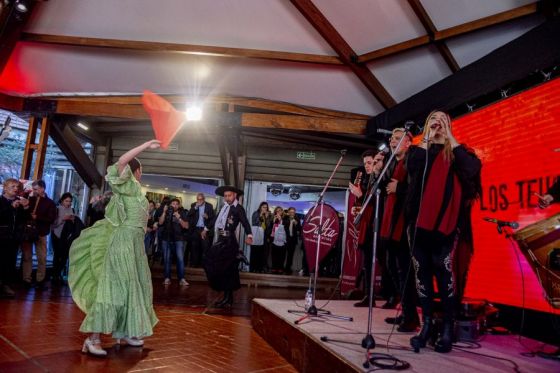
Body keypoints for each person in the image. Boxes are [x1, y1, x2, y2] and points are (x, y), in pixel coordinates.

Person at [68, 139, 160, 357]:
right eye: (139, 169)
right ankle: (93, 339)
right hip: (122, 244)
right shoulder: (126, 186)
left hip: (135, 245)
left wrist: (142, 229)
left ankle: (125, 331)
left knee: (133, 290)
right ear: (135, 171)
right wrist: (146, 144)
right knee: (113, 289)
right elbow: (121, 161)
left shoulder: (137, 191)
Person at [406, 111, 481, 353]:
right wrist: (426, 138)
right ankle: (426, 326)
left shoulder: (460, 153)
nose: (437, 121)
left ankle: (448, 327)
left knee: (445, 273)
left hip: (447, 226)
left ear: (449, 125)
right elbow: (412, 167)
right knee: (422, 276)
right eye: (432, 118)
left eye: (442, 119)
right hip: (419, 226)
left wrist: (449, 137)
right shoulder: (421, 152)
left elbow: (471, 169)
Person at [380, 128, 420, 332]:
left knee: (405, 271)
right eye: (391, 139)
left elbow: (419, 189)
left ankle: (411, 317)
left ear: (408, 143)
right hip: (391, 223)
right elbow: (384, 184)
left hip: (404, 224)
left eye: (397, 139)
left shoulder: (412, 161)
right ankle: (405, 311)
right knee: (392, 267)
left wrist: (401, 188)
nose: (392, 142)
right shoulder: (394, 162)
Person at [348, 150, 387, 307]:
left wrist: (360, 193)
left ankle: (390, 295)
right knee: (367, 261)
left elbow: (380, 201)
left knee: (385, 262)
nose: (367, 166)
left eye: (370, 162)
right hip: (367, 225)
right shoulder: (367, 179)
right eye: (365, 164)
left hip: (380, 224)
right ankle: (368, 295)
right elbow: (364, 202)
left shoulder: (381, 178)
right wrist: (356, 207)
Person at [204, 185, 253, 308]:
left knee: (228, 270)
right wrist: (205, 228)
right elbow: (215, 220)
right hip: (220, 240)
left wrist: (250, 235)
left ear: (234, 195)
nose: (227, 198)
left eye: (229, 195)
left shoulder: (238, 208)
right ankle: (227, 298)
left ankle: (228, 299)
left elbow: (245, 222)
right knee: (213, 264)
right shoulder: (224, 207)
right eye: (225, 196)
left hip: (229, 242)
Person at [21, 180, 56, 289]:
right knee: (27, 256)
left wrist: (38, 217)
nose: (34, 191)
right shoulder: (28, 199)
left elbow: (51, 219)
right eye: (33, 189)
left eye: (36, 189)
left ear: (42, 189)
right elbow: (23, 214)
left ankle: (40, 280)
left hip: (41, 232)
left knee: (42, 257)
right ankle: (26, 279)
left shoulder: (50, 203)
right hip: (28, 231)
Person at [0, 178, 29, 297]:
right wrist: (11, 207)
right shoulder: (1, 201)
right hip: (1, 236)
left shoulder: (20, 201)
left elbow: (25, 219)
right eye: (13, 186)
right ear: (5, 188)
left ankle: (6, 285)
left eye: (17, 187)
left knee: (10, 262)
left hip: (14, 237)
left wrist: (26, 207)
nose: (16, 189)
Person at [159, 198, 190, 286]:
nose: (175, 205)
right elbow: (160, 223)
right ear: (170, 204)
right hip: (166, 239)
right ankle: (167, 278)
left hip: (178, 239)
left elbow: (186, 226)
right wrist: (164, 212)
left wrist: (179, 218)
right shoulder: (167, 212)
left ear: (179, 205)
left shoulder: (182, 213)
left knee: (180, 259)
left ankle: (182, 279)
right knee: (167, 259)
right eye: (173, 203)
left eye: (177, 204)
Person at [51, 193, 76, 284]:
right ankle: (55, 275)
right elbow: (53, 224)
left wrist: (72, 219)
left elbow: (74, 224)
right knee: (57, 255)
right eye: (66, 201)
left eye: (70, 201)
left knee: (65, 255)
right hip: (57, 234)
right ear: (62, 200)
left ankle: (58, 273)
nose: (68, 203)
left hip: (67, 236)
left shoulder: (72, 209)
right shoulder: (57, 209)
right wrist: (63, 219)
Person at [188, 193, 215, 267]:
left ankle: (204, 265)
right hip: (196, 229)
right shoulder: (194, 205)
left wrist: (207, 217)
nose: (199, 201)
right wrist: (195, 207)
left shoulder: (209, 206)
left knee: (205, 247)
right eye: (198, 199)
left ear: (204, 199)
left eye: (201, 199)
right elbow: (189, 214)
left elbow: (213, 218)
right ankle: (194, 264)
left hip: (204, 229)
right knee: (194, 247)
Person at [250, 202, 272, 273]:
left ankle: (259, 268)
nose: (265, 209)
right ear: (260, 207)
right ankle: (253, 268)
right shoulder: (256, 213)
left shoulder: (267, 215)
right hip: (257, 235)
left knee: (262, 253)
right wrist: (260, 215)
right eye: (263, 207)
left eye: (266, 207)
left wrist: (266, 217)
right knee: (254, 252)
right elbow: (254, 223)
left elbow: (268, 226)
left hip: (264, 236)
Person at [269, 206, 289, 274]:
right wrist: (273, 222)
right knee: (274, 254)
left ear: (282, 211)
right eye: (277, 211)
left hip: (282, 239)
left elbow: (286, 226)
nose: (278, 212)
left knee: (282, 255)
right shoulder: (273, 218)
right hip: (274, 239)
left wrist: (280, 220)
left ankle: (280, 267)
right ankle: (274, 267)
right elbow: (270, 228)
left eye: (279, 211)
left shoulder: (285, 218)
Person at [284, 207, 301, 275]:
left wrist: (296, 223)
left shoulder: (297, 219)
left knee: (291, 254)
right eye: (290, 212)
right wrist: (290, 221)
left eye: (293, 212)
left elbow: (299, 229)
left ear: (295, 213)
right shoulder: (285, 218)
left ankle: (288, 267)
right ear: (288, 212)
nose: (292, 213)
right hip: (285, 238)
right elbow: (284, 226)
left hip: (293, 240)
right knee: (283, 253)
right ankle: (281, 267)